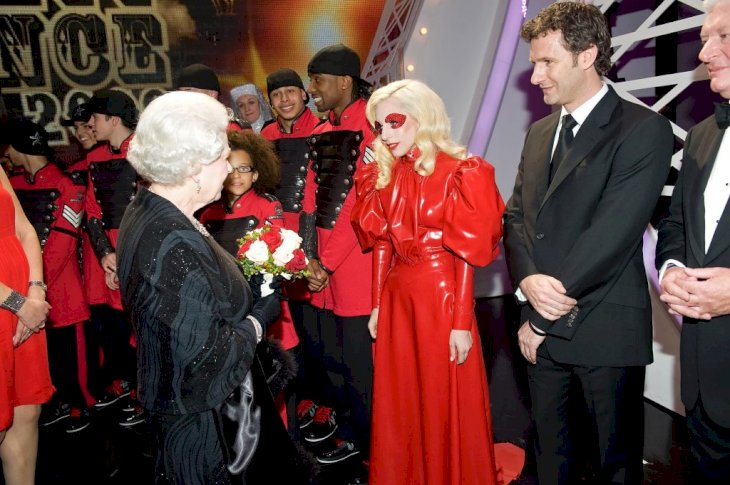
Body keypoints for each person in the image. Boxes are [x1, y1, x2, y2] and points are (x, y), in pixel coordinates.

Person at [503, 3, 674, 484]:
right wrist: (528, 279)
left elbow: (612, 236)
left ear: (587, 55)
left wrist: (538, 316)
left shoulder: (644, 130)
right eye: (533, 63)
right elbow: (516, 217)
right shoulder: (539, 134)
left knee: (611, 467)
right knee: (550, 461)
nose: (535, 76)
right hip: (541, 329)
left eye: (546, 62)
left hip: (603, 332)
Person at [118, 90, 304, 484]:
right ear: (193, 166)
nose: (228, 170)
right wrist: (258, 320)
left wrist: (242, 284)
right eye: (222, 158)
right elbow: (206, 362)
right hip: (200, 428)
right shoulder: (170, 238)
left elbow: (195, 302)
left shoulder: (156, 208)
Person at [351, 79, 508, 484]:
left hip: (441, 298)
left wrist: (461, 321)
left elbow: (467, 255)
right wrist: (376, 304)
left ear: (423, 117)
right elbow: (382, 242)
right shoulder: (387, 173)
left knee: (443, 398)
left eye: (394, 122)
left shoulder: (461, 172)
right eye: (380, 126)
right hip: (398, 299)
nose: (385, 134)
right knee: (402, 398)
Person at [656, 0, 730, 482]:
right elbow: (676, 228)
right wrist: (671, 270)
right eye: (705, 38)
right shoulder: (702, 135)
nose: (705, 51)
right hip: (705, 385)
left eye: (721, 36)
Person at [298, 43, 374, 468]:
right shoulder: (319, 132)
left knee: (360, 365)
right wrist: (310, 255)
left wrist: (324, 262)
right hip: (322, 267)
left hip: (355, 263)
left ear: (344, 82)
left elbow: (359, 204)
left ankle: (371, 451)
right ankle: (348, 433)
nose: (312, 90)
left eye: (318, 81)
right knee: (330, 358)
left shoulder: (375, 125)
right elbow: (309, 200)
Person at [198, 131, 299, 430]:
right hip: (226, 316)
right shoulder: (207, 212)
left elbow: (276, 256)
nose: (238, 175)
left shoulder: (268, 206)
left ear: (256, 174)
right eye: (232, 168)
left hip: (263, 310)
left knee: (273, 390)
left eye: (245, 169)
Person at [7, 119, 92, 434]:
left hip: (61, 293)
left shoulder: (67, 186)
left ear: (19, 148)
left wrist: (33, 285)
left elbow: (63, 244)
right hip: (25, 295)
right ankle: (53, 404)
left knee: (70, 359)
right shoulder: (14, 184)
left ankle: (78, 407)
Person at [259, 68, 322, 435]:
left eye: (290, 92)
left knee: (316, 333)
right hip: (277, 243)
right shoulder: (265, 137)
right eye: (277, 95)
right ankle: (299, 403)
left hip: (315, 242)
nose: (284, 100)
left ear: (304, 94)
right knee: (288, 330)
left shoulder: (320, 128)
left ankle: (320, 402)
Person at [0, 102, 54, 484]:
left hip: (24, 307)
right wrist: (19, 304)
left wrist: (34, 293)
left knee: (27, 411)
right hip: (9, 306)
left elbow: (25, 230)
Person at [85, 89, 142, 426]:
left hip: (140, 253)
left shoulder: (146, 152)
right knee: (123, 330)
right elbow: (92, 213)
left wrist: (126, 253)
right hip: (112, 260)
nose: (90, 124)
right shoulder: (94, 160)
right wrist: (105, 254)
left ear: (113, 119)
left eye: (94, 117)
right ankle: (136, 392)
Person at [175, 63, 248, 131]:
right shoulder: (174, 127)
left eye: (189, 91)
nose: (183, 97)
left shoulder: (231, 129)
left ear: (212, 94)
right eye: (181, 92)